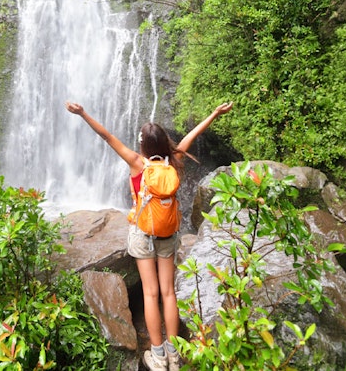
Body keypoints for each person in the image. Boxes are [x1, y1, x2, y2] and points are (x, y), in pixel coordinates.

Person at [65, 101, 233, 371]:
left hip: (143, 234)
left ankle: (157, 356)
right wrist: (214, 113)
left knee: (150, 292)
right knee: (168, 293)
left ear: (143, 146)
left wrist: (83, 113)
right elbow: (192, 136)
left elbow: (107, 136)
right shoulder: (174, 160)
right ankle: (175, 355)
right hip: (168, 234)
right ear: (165, 143)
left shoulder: (137, 163)